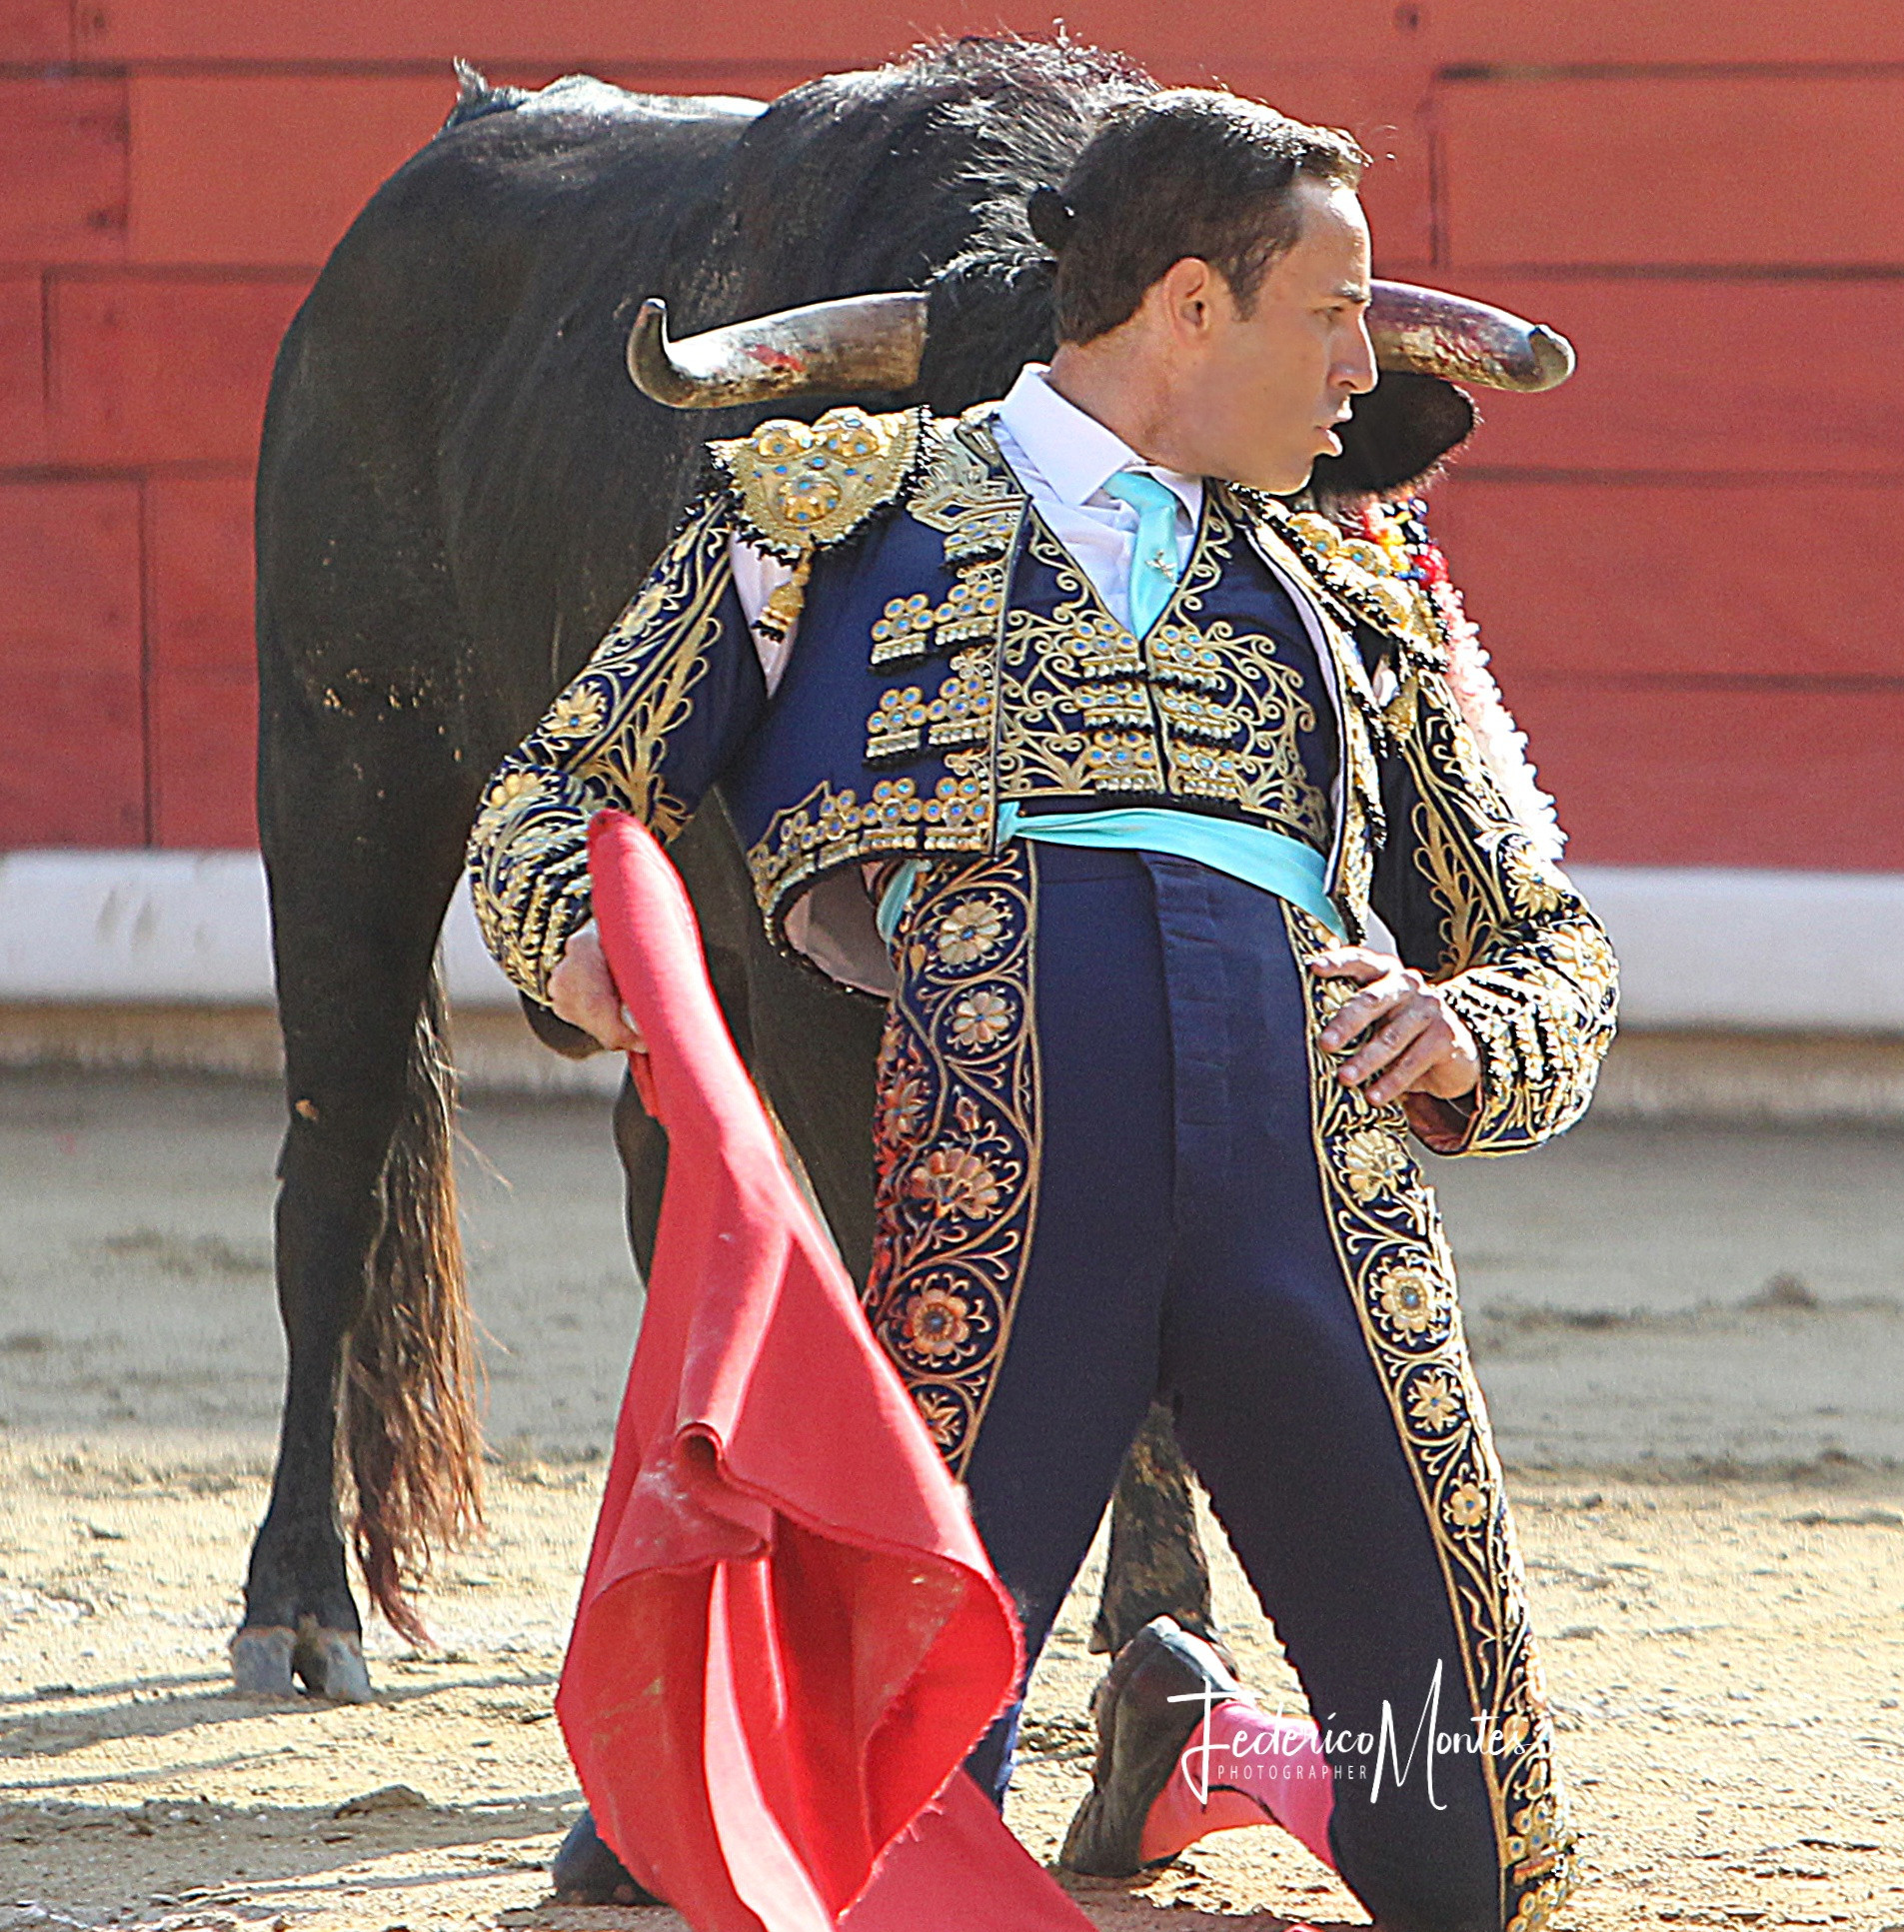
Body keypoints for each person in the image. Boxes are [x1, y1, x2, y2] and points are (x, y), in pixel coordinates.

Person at [469, 87, 1614, 1932]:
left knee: (1472, 1857)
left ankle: (1221, 1756)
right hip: (998, 1193)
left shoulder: (1365, 580)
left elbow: (1554, 941)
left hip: (1312, 1200)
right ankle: (745, 1777)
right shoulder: (822, 507)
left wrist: (1476, 1030)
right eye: (1327, 314)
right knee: (863, 1831)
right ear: (1184, 308)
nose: (1359, 369)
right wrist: (592, 954)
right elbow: (555, 790)